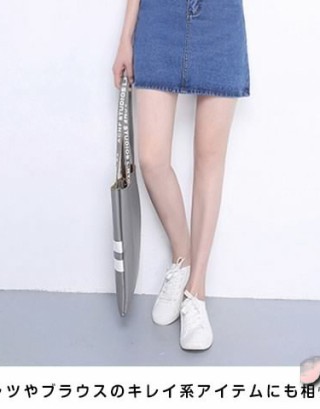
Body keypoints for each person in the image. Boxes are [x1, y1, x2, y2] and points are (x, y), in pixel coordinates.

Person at [112, 0, 250, 351]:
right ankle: (182, 258)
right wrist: (126, 37)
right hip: (159, 19)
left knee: (209, 160)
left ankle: (196, 291)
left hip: (219, 19)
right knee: (152, 159)